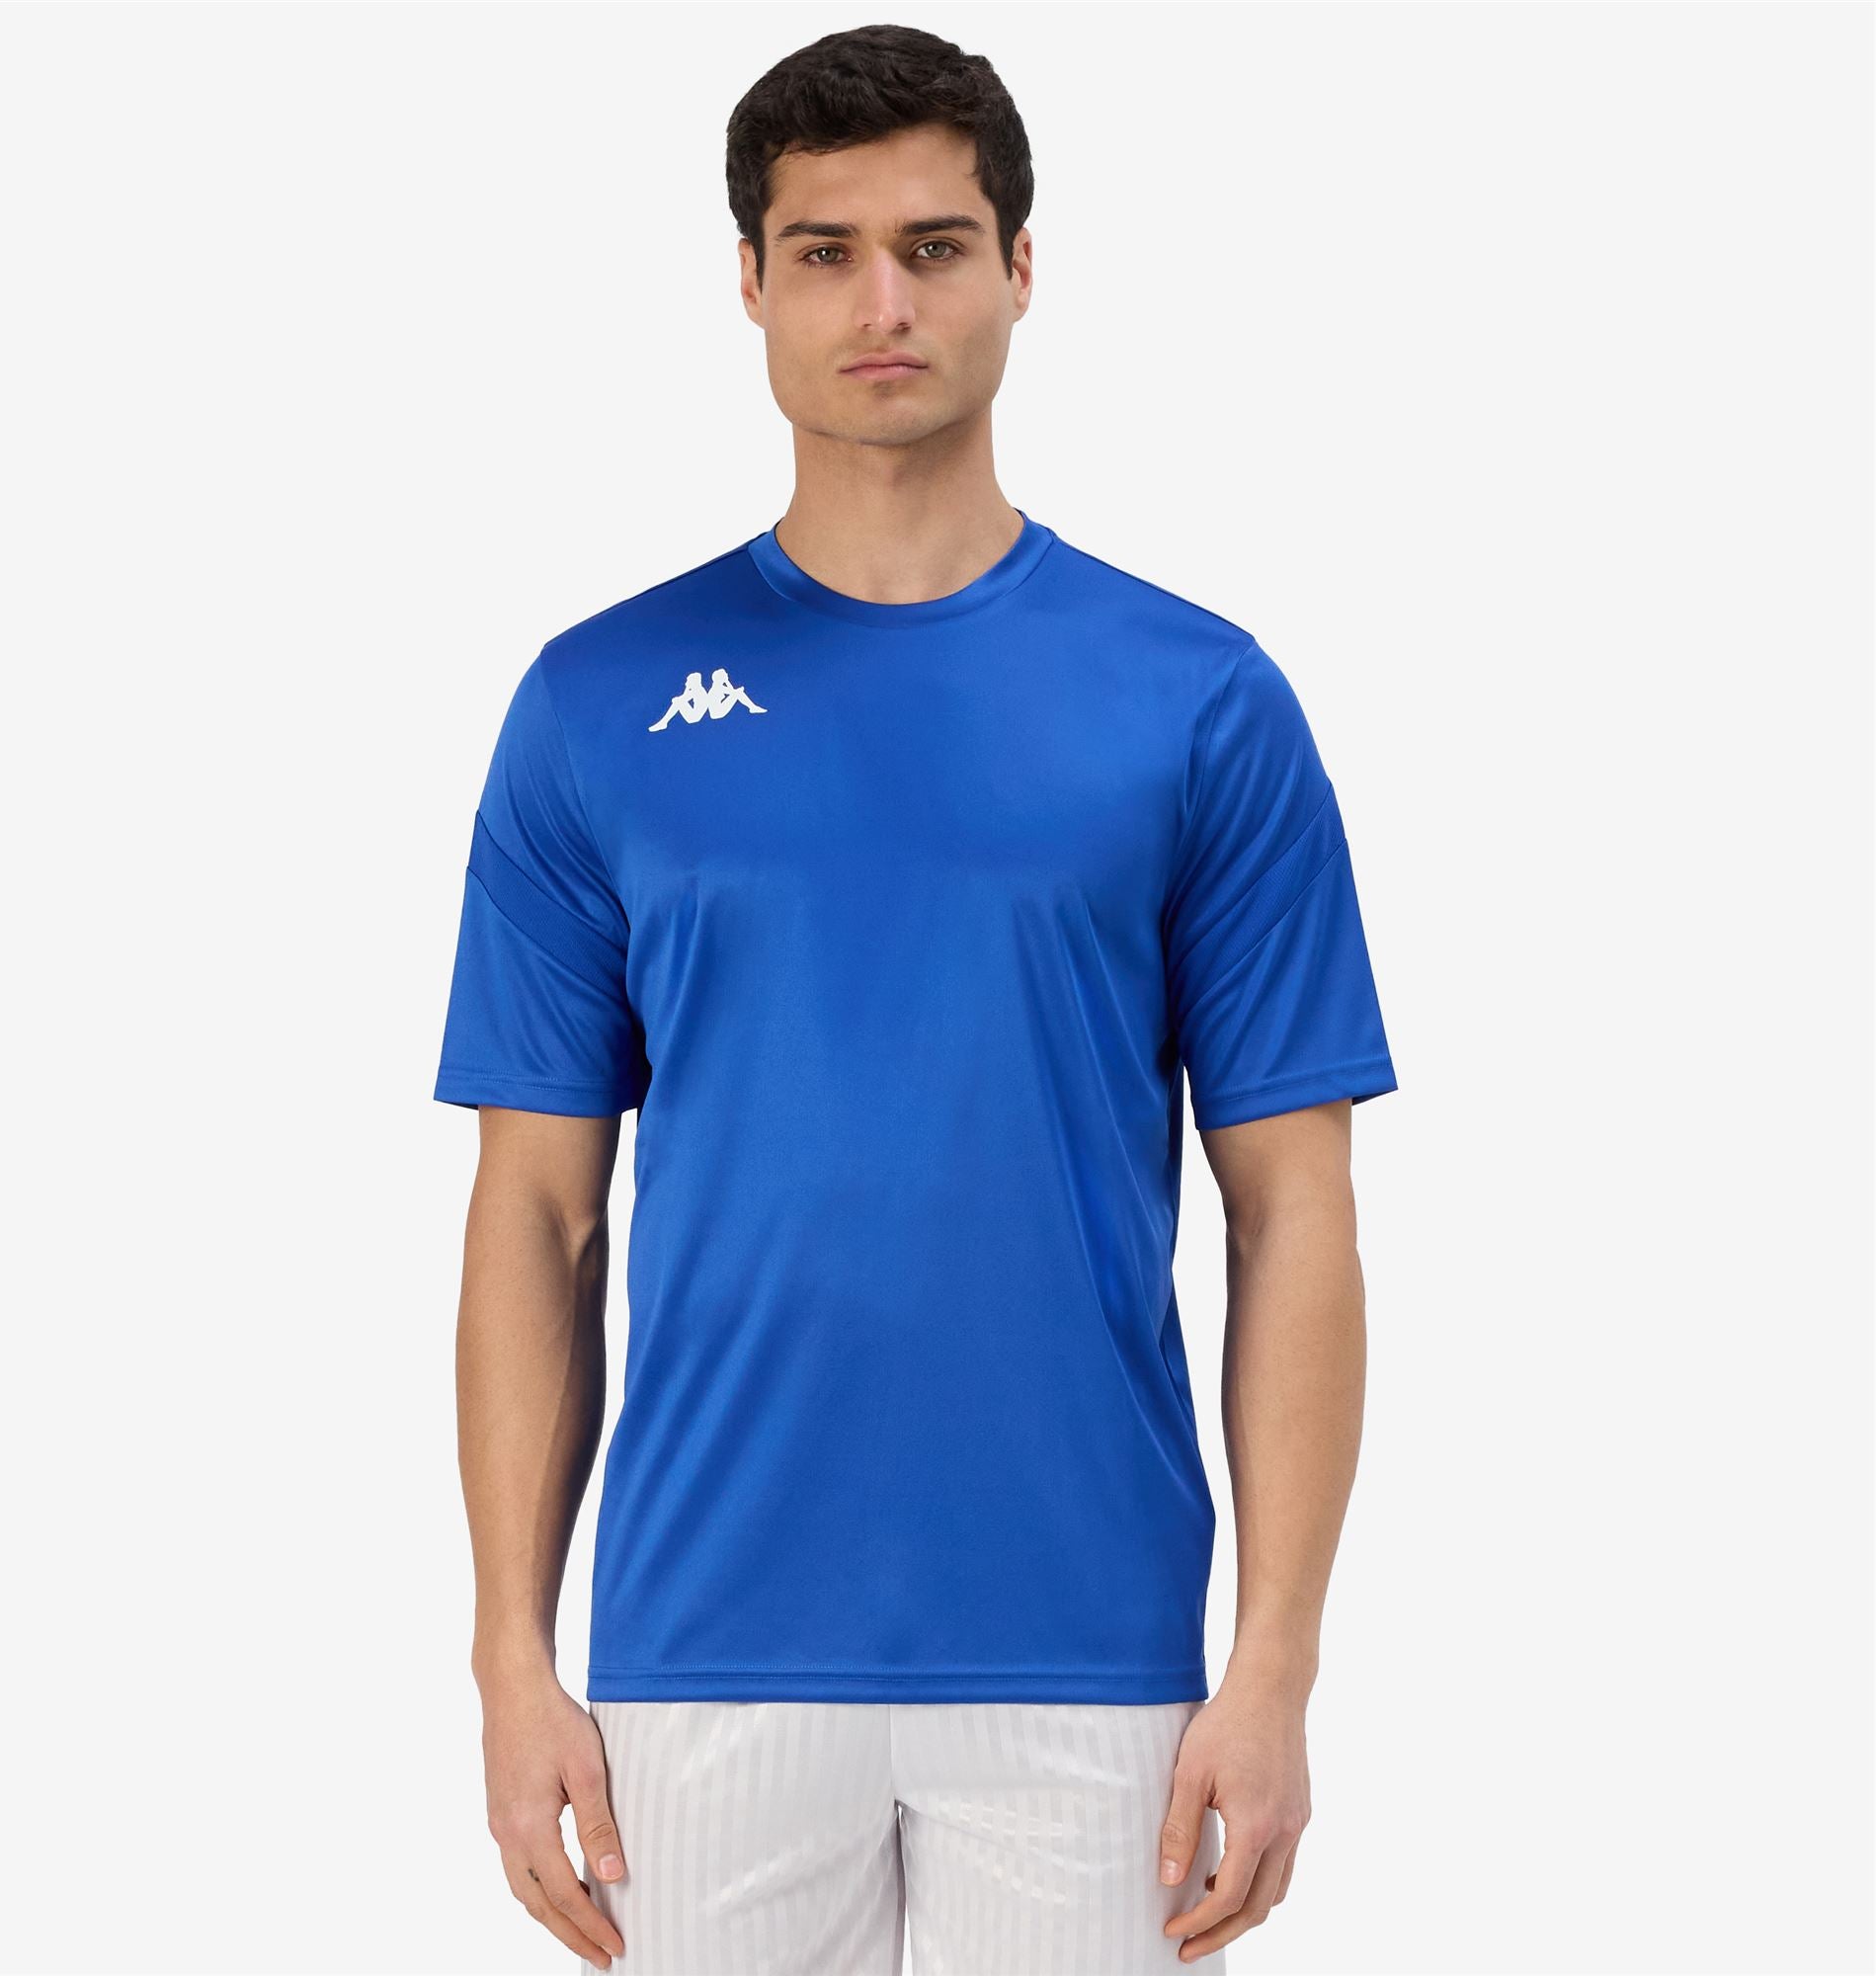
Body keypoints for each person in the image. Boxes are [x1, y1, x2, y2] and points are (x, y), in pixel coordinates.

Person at [433, 23, 1397, 1974]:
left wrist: (1276, 1660)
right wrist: (509, 1658)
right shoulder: (595, 703)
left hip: (1095, 1661)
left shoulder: (1199, 699)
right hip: (701, 1653)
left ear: (1021, 268)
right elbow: (536, 1208)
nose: (882, 302)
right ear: (750, 281)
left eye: (935, 247)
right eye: (826, 251)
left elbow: (1293, 1205)